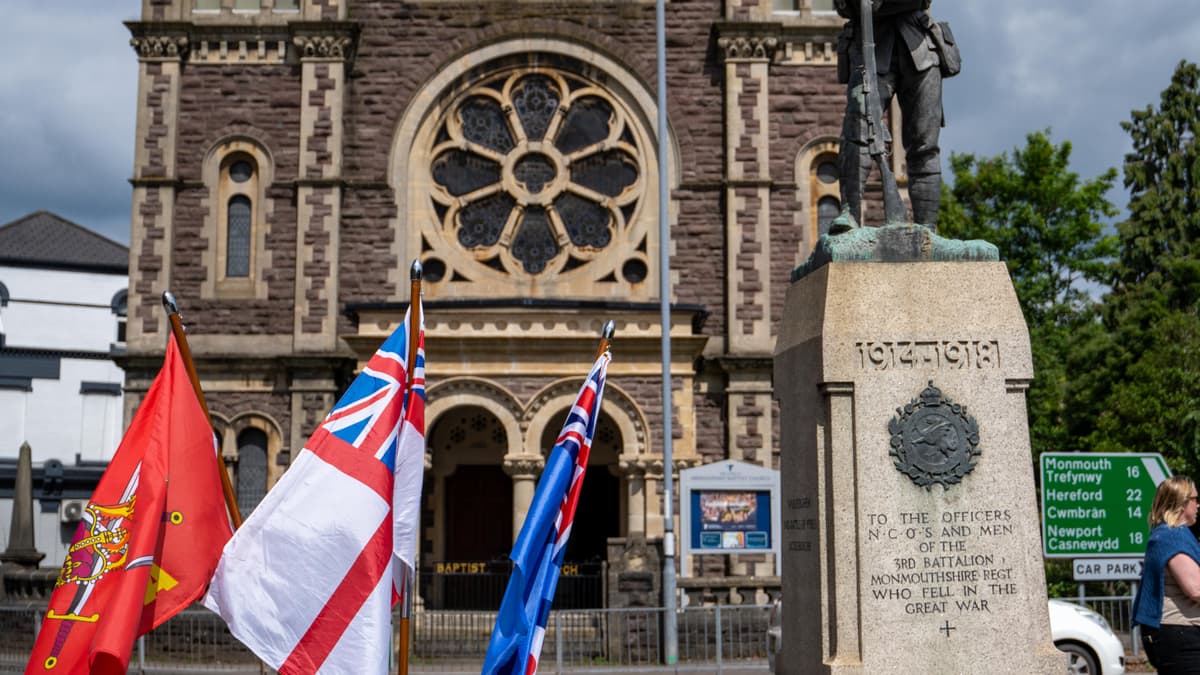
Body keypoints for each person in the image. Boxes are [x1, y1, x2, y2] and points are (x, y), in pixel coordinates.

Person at [830, 0, 952, 233]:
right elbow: (841, 6)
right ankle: (850, 214)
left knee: (925, 142)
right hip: (869, 47)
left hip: (921, 48)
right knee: (857, 129)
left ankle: (927, 229)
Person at [1132, 475, 1200, 673]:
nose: (1198, 505)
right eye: (1195, 499)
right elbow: (1195, 589)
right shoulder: (1172, 537)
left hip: (1175, 634)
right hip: (1181, 635)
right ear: (1182, 503)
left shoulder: (1165, 535)